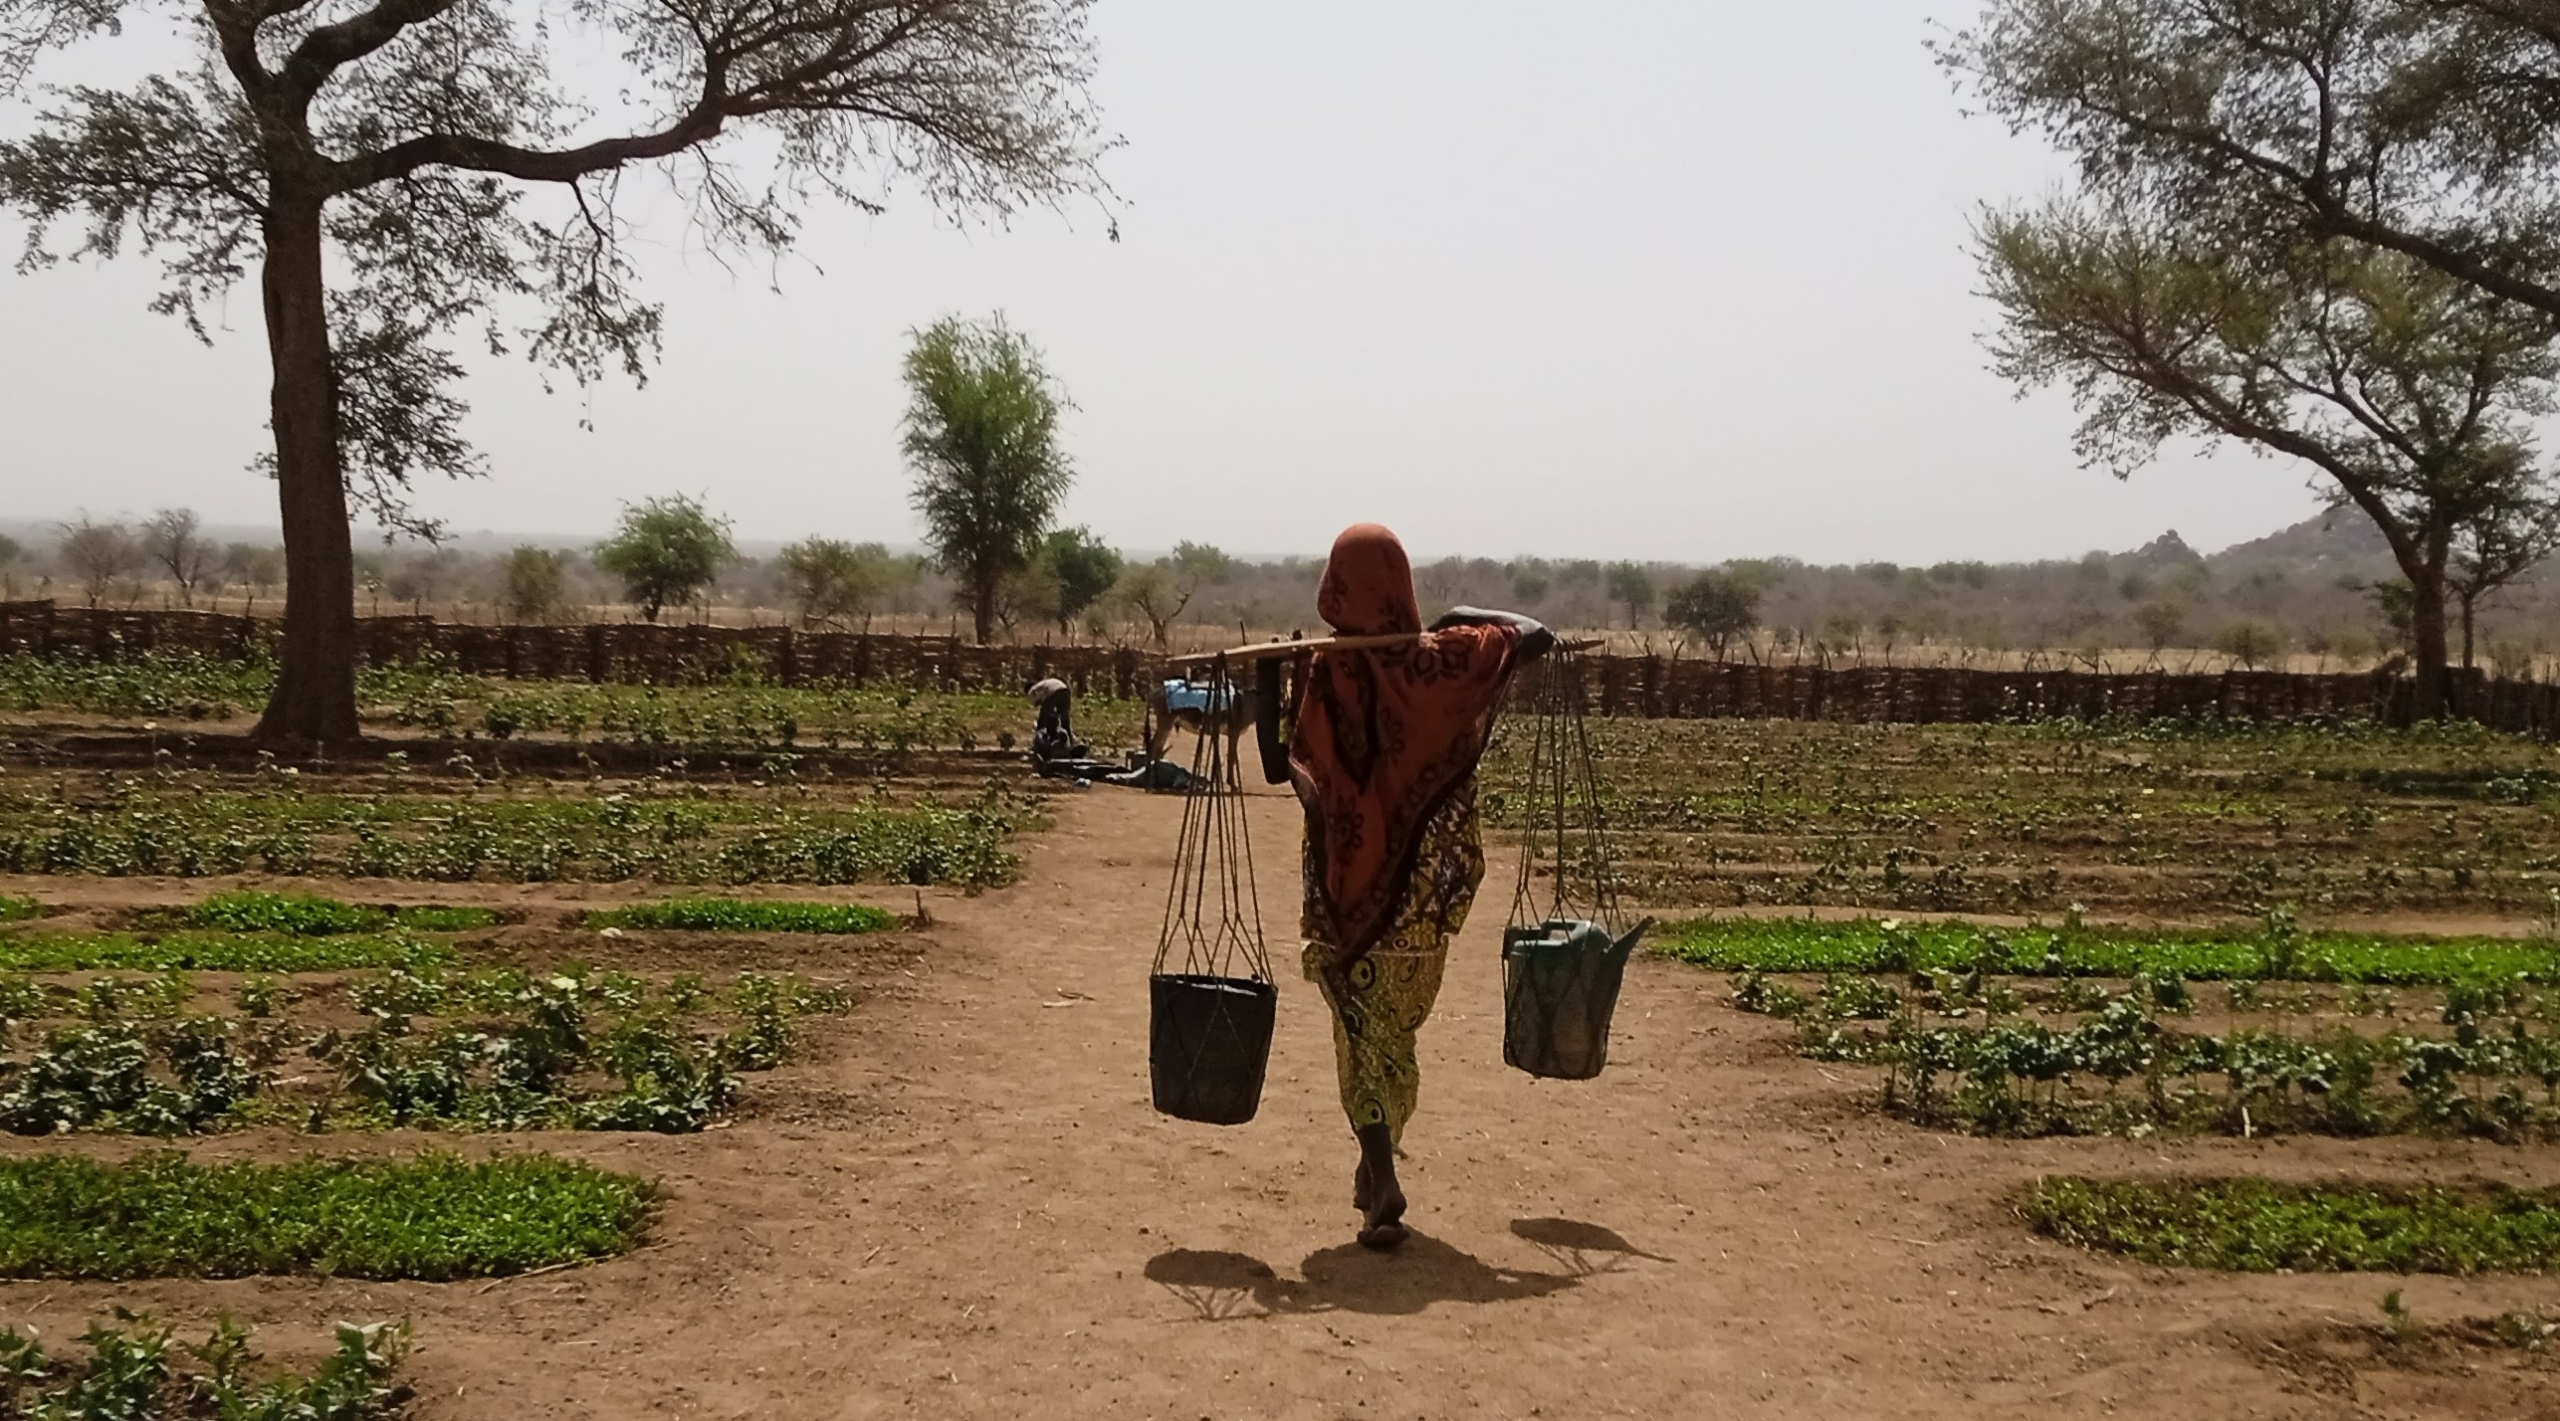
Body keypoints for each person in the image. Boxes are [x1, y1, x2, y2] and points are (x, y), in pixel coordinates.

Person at [1255, 523, 1552, 1250]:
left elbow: (1274, 764)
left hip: (1344, 899)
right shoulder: (1447, 664)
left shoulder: (1333, 670)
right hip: (1423, 905)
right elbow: (1532, 633)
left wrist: (1267, 679)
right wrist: (1453, 626)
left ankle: (1379, 1165)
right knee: (1395, 1036)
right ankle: (1375, 1161)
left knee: (1360, 1034)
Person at [1026, 677, 1085, 765]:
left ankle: (1039, 744)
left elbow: (1037, 702)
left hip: (1054, 692)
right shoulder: (1044, 683)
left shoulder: (1033, 689)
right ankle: (1071, 743)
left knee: (1044, 717)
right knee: (1065, 719)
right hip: (1065, 690)